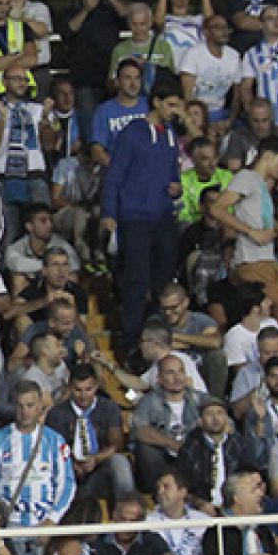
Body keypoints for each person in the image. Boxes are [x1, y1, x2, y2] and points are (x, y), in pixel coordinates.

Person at [102, 74, 185, 354]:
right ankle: (131, 345)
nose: (175, 111)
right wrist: (109, 212)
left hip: (163, 218)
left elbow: (173, 174)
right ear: (156, 102)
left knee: (163, 283)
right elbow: (114, 175)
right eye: (171, 105)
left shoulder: (170, 135)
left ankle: (157, 342)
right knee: (136, 284)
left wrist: (176, 189)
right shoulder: (132, 133)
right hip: (135, 219)